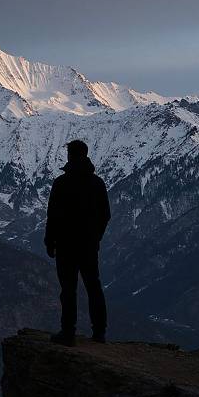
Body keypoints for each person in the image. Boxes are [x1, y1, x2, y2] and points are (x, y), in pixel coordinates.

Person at [44, 139, 111, 346]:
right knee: (94, 286)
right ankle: (99, 332)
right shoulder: (97, 183)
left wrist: (50, 241)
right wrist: (95, 236)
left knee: (68, 289)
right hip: (89, 246)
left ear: (70, 156)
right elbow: (105, 215)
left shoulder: (61, 183)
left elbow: (52, 215)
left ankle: (68, 332)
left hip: (66, 245)